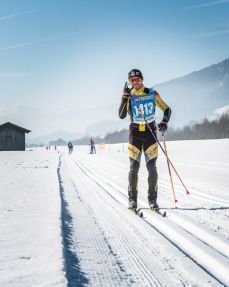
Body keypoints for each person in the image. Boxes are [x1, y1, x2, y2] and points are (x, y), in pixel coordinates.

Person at [119, 69, 171, 211]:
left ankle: (152, 200)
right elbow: (121, 115)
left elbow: (167, 109)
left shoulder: (151, 93)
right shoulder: (128, 95)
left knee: (151, 168)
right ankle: (132, 201)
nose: (135, 82)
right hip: (135, 134)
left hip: (150, 134)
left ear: (142, 80)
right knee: (133, 168)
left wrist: (165, 122)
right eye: (132, 80)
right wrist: (124, 98)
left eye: (137, 79)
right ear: (129, 82)